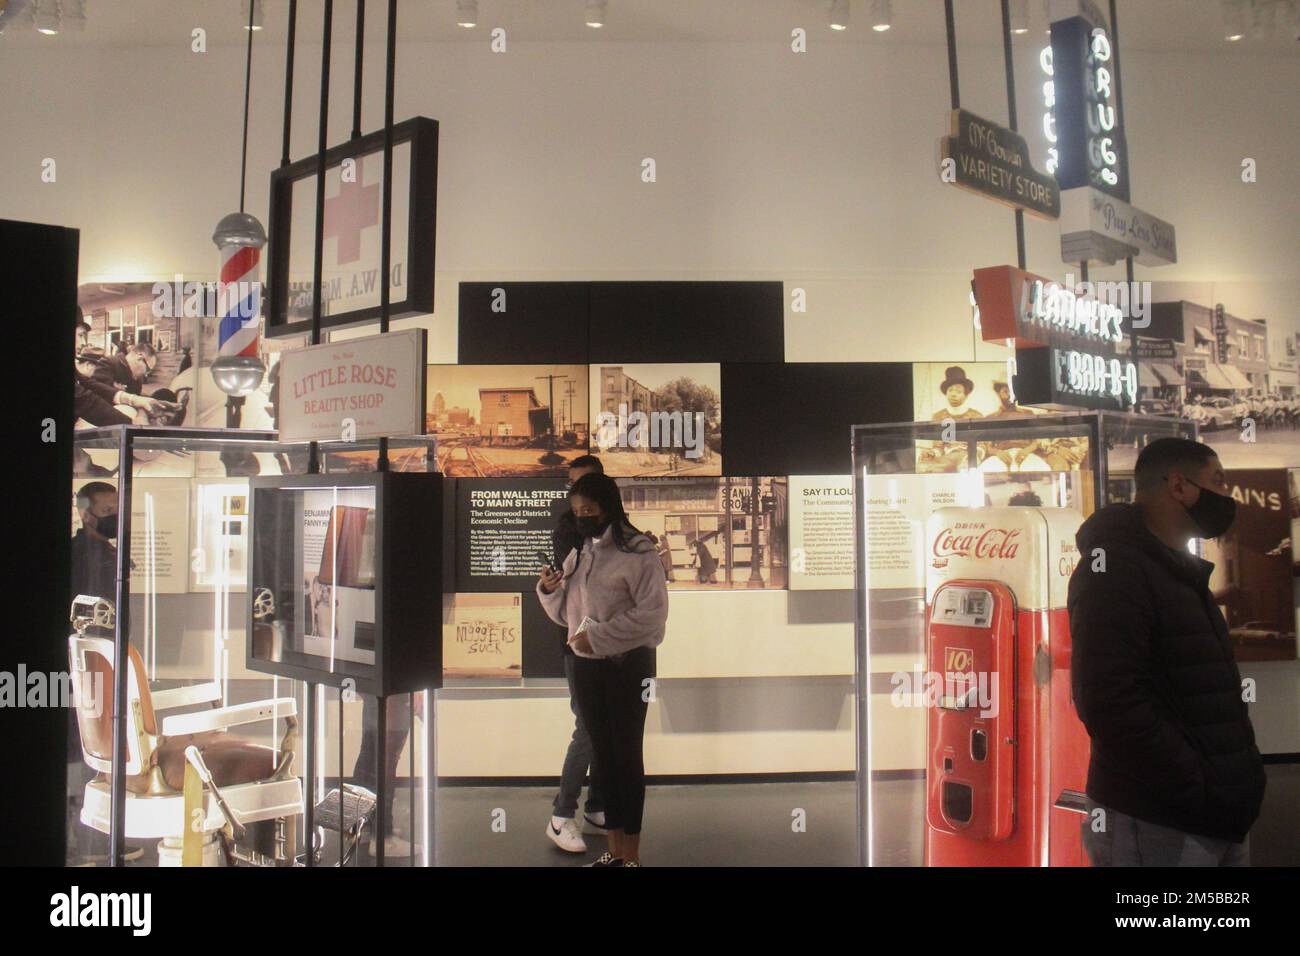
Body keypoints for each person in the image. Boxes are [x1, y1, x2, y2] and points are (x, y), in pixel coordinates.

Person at [1068, 438, 1265, 866]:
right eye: (1217, 481)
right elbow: (1108, 701)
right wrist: (1197, 784)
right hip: (1159, 820)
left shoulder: (1175, 568)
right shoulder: (1114, 570)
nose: (1226, 495)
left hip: (1215, 817)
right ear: (1179, 486)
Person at [537, 473, 668, 867]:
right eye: (577, 511)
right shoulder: (581, 553)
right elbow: (567, 614)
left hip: (630, 667)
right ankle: (613, 851)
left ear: (608, 507)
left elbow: (653, 616)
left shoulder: (640, 553)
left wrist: (602, 638)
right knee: (606, 760)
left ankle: (632, 855)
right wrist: (547, 590)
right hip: (588, 668)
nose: (583, 517)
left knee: (627, 757)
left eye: (589, 510)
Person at [545, 454, 607, 853]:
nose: (578, 497)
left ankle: (597, 806)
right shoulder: (571, 533)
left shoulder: (615, 532)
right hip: (580, 645)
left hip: (613, 647)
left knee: (607, 729)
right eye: (573, 489)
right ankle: (561, 815)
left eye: (585, 487)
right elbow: (563, 597)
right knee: (587, 728)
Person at [70, 482, 119, 604]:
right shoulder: (77, 554)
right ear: (86, 516)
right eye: (107, 510)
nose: (117, 517)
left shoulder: (108, 550)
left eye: (119, 511)